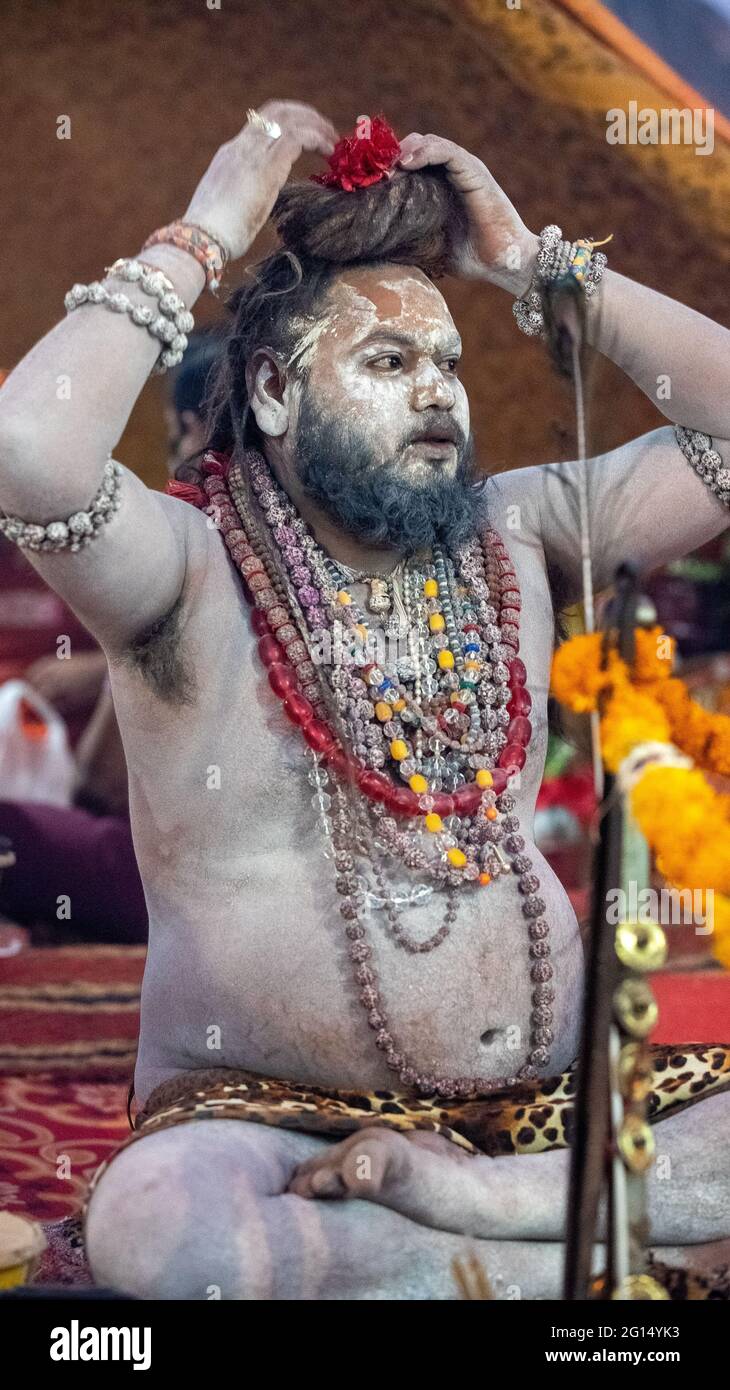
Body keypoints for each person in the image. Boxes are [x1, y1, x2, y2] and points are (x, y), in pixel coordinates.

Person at [0, 100, 728, 1300]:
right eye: (388, 362)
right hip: (265, 1121)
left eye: (445, 362)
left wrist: (534, 268)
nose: (439, 391)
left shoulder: (517, 531)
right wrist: (205, 227)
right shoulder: (189, 568)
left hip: (543, 1109)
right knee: (164, 1231)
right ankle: (600, 1259)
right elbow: (29, 452)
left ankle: (470, 1223)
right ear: (277, 392)